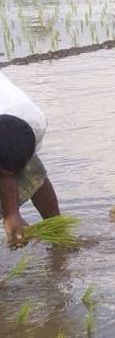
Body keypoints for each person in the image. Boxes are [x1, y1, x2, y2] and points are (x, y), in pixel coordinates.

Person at [1, 71, 61, 248]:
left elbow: (9, 171)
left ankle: (54, 230)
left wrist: (11, 213)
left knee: (25, 170)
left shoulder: (31, 123)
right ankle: (56, 230)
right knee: (24, 167)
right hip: (19, 118)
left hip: (11, 119)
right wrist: (11, 212)